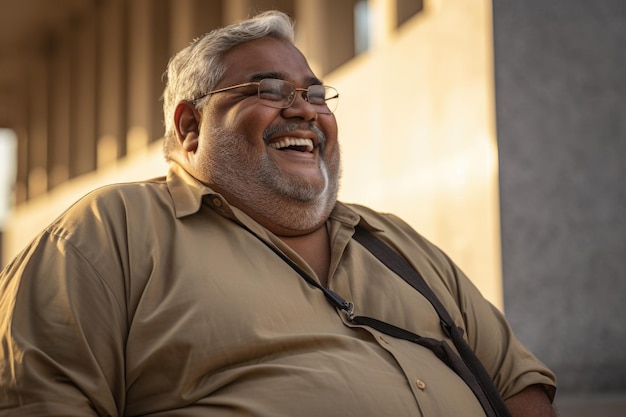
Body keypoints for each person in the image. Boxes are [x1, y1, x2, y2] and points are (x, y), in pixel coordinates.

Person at [0, 10, 556, 417]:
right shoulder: (109, 231)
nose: (303, 110)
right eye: (268, 89)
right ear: (191, 126)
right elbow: (40, 400)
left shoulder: (395, 241)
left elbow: (515, 383)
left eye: (316, 95)